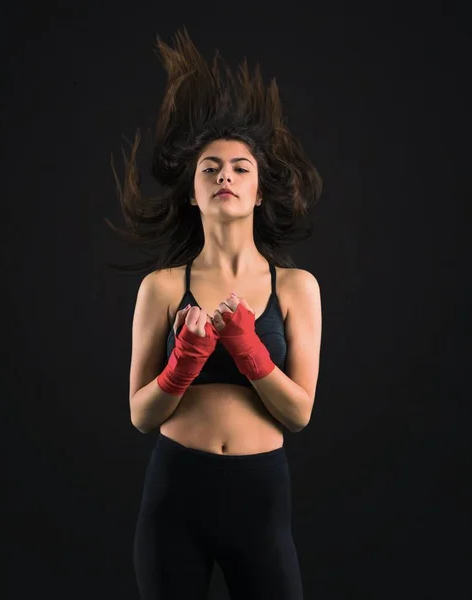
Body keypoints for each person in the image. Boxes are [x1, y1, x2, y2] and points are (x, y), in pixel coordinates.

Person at [108, 28, 322, 600]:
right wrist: (184, 362)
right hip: (177, 493)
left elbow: (299, 414)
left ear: (257, 194)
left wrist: (249, 351)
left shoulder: (296, 287)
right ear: (192, 193)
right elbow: (140, 415)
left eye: (239, 168)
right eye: (209, 168)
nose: (224, 175)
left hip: (261, 496)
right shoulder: (162, 287)